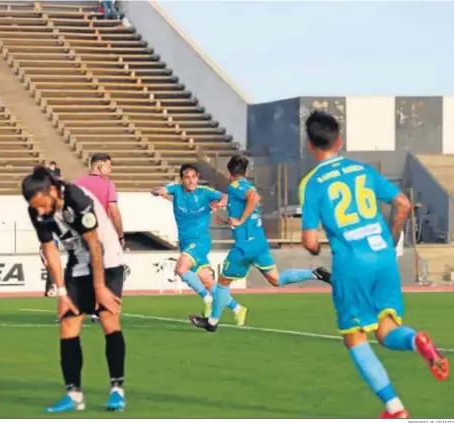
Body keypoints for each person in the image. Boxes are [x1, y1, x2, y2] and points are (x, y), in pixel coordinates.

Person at [297, 111, 449, 418]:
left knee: (354, 336)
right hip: (383, 257)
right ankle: (416, 340)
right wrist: (391, 239)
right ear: (338, 141)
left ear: (309, 145)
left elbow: (310, 242)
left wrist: (319, 247)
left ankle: (395, 408)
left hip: (353, 265)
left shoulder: (311, 184)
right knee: (386, 330)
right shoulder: (363, 170)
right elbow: (403, 204)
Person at [22, 166, 127, 413]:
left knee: (108, 319)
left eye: (42, 203)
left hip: (107, 260)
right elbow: (50, 249)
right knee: (68, 324)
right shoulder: (36, 210)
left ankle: (117, 391)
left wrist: (100, 287)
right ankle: (74, 395)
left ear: (53, 191)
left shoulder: (76, 199)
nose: (40, 210)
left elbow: (95, 246)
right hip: (78, 263)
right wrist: (61, 292)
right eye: (34, 206)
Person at [189, 155, 331, 332]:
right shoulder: (247, 186)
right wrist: (230, 221)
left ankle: (212, 323)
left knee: (222, 283)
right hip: (258, 243)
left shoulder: (235, 186)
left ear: (229, 173)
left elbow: (253, 198)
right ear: (247, 172)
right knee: (276, 279)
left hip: (244, 247)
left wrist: (239, 220)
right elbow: (251, 202)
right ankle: (315, 273)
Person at [151, 164, 248, 325]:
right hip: (186, 243)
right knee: (208, 282)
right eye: (187, 177)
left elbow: (225, 197)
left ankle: (207, 299)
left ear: (197, 178)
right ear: (182, 179)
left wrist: (220, 204)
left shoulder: (205, 192)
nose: (191, 181)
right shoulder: (175, 189)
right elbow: (156, 189)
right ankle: (238, 309)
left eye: (193, 177)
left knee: (181, 269)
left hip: (200, 241)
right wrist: (158, 191)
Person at [75, 153, 125, 323]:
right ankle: (103, 309)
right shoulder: (107, 185)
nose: (110, 170)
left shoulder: (77, 184)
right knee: (112, 271)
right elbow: (113, 210)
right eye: (108, 166)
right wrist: (120, 235)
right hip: (102, 235)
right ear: (100, 166)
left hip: (81, 235)